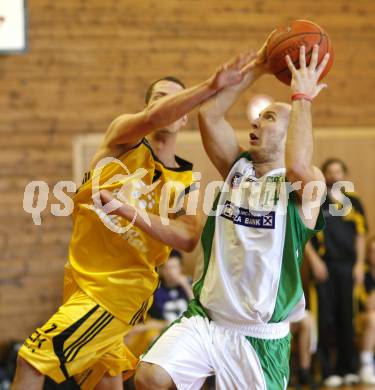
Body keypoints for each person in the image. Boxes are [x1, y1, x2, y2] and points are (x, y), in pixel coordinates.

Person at [11, 56, 252, 390]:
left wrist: (130, 212)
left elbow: (187, 238)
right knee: (107, 380)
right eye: (159, 97)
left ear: (185, 117)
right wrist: (211, 87)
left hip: (119, 291)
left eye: (175, 99)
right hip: (80, 280)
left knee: (31, 359)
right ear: (147, 108)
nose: (166, 105)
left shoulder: (187, 183)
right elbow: (155, 117)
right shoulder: (123, 139)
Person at [133, 42, 329, 389]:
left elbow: (298, 162)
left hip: (259, 338)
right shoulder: (236, 168)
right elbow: (208, 115)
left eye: (269, 118)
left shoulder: (305, 187)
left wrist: (302, 98)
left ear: (289, 134)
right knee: (151, 376)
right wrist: (259, 65)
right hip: (207, 319)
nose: (256, 121)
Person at [305, 158, 368, 387]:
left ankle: (348, 367)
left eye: (338, 171)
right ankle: (326, 370)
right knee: (324, 319)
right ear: (323, 175)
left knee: (347, 319)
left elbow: (361, 235)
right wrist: (314, 262)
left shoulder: (354, 202)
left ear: (345, 174)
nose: (334, 175)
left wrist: (360, 264)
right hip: (324, 268)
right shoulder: (316, 201)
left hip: (348, 268)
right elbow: (304, 235)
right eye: (329, 172)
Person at [356, 236, 375, 384]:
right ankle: (366, 365)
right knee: (372, 318)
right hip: (361, 317)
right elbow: (368, 304)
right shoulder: (364, 275)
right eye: (372, 251)